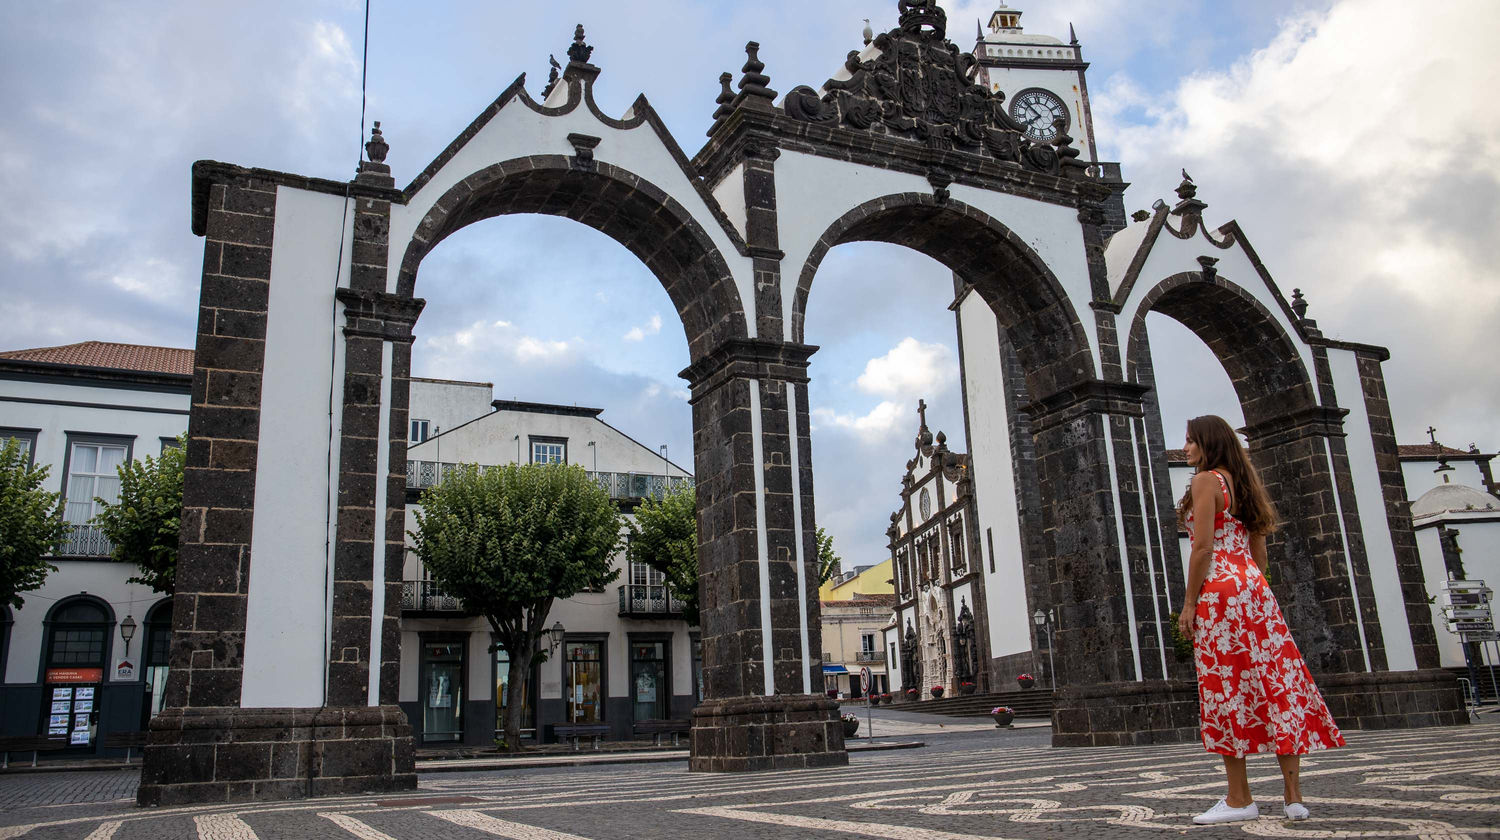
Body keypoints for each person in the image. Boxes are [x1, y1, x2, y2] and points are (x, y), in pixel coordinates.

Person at [1178, 415, 1344, 825]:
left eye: (1190, 441)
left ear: (1207, 443)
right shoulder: (1247, 485)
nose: (1185, 448)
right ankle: (1293, 796)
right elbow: (1261, 557)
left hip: (1219, 592)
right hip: (1255, 591)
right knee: (1275, 683)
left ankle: (1240, 799)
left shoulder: (1205, 483)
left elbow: (1201, 549)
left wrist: (1189, 603)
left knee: (1226, 690)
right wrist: (1249, 586)